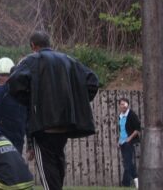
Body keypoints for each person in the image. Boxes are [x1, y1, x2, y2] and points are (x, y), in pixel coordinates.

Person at [8, 31, 100, 190]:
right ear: (49, 44)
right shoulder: (69, 60)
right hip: (65, 124)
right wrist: (77, 102)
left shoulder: (32, 60)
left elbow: (14, 82)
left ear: (33, 46)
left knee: (46, 168)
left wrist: (31, 100)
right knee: (58, 161)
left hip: (43, 126)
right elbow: (92, 81)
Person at [118, 97, 141, 188]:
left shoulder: (132, 115)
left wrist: (129, 138)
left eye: (124, 104)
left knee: (127, 164)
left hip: (129, 142)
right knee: (128, 163)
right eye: (121, 104)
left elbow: (137, 129)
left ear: (128, 105)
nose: (123, 106)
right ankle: (137, 181)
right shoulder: (120, 116)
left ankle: (125, 184)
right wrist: (119, 140)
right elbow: (122, 130)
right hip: (122, 143)